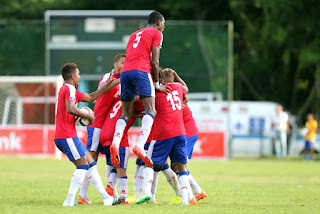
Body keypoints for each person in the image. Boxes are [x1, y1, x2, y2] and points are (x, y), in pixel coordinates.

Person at [110, 11, 170, 168]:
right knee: (151, 110)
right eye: (163, 23)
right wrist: (157, 85)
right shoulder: (156, 33)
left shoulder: (134, 34)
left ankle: (115, 142)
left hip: (125, 73)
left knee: (126, 113)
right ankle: (140, 145)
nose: (164, 27)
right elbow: (154, 61)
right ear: (158, 22)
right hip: (141, 71)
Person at [54, 63, 119, 206]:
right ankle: (69, 201)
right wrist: (87, 116)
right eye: (78, 74)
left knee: (91, 163)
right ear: (72, 76)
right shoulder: (69, 88)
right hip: (66, 136)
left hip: (66, 136)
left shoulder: (70, 90)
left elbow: (91, 97)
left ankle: (107, 199)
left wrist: (109, 84)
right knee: (83, 166)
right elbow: (71, 108)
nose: (80, 77)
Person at [136, 68, 195, 206]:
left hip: (162, 133)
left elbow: (138, 104)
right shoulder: (178, 87)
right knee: (181, 167)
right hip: (180, 133)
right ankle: (185, 199)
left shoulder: (152, 93)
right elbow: (186, 88)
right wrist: (176, 75)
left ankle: (146, 194)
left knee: (148, 163)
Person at [77, 54, 125, 204]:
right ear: (115, 64)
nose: (125, 65)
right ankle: (82, 196)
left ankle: (113, 195)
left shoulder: (121, 82)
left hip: (107, 127)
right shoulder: (108, 77)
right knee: (91, 160)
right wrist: (123, 79)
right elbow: (104, 89)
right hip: (97, 124)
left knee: (111, 162)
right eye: (123, 63)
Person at [100, 97, 144, 204]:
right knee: (122, 167)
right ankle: (123, 197)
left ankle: (110, 186)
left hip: (105, 132)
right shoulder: (139, 98)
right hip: (117, 133)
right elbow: (133, 109)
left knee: (115, 163)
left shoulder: (121, 96)